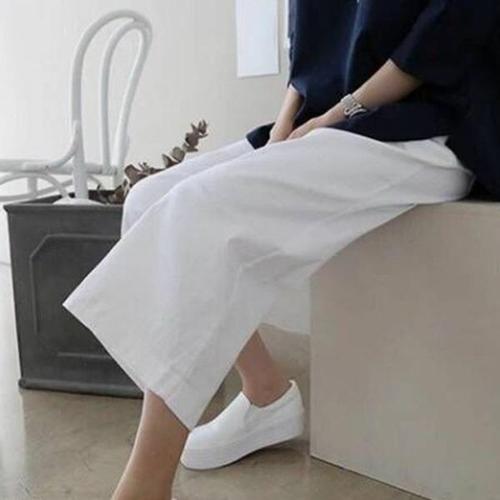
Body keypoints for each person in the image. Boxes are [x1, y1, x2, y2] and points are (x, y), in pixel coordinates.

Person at [63, 1, 500, 499]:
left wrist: (339, 114)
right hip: (326, 117)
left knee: (202, 211)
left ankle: (144, 488)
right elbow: (308, 45)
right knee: (147, 200)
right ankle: (265, 392)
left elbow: (447, 33)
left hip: (428, 119)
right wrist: (283, 127)